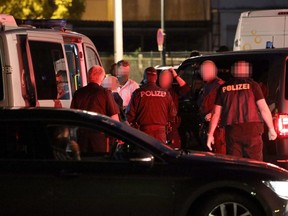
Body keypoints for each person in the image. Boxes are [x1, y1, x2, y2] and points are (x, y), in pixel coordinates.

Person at [207, 61, 277, 161]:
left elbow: (216, 114)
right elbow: (263, 109)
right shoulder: (253, 85)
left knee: (236, 164)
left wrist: (210, 134)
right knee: (255, 164)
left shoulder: (223, 88)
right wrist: (271, 128)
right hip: (252, 130)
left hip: (232, 131)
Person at [71, 65, 119, 153]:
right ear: (101, 77)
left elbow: (72, 116)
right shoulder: (105, 93)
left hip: (81, 136)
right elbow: (114, 118)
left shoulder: (78, 93)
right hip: (99, 136)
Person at [126, 67, 177, 144]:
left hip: (143, 132)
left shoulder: (138, 93)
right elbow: (173, 114)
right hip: (161, 132)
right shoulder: (166, 94)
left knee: (145, 154)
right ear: (156, 78)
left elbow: (129, 115)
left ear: (144, 78)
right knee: (159, 154)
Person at [198, 60, 226, 154]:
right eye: (202, 70)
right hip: (207, 127)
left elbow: (228, 105)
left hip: (218, 129)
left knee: (219, 155)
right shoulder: (206, 86)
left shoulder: (220, 86)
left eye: (205, 70)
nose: (202, 73)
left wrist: (212, 114)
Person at [158, 68, 190, 149]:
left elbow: (186, 89)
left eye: (166, 78)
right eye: (162, 78)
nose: (163, 80)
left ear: (171, 80)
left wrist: (176, 76)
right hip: (159, 127)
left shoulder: (174, 91)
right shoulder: (155, 91)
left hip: (171, 127)